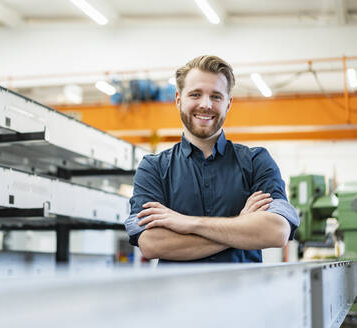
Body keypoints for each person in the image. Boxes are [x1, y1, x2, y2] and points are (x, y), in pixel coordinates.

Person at [124, 55, 299, 263]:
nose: (205, 104)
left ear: (228, 103)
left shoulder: (256, 162)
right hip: (178, 296)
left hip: (245, 295)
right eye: (195, 94)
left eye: (216, 96)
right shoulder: (153, 168)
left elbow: (276, 231)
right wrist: (241, 225)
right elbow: (152, 244)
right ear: (179, 100)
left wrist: (188, 223)